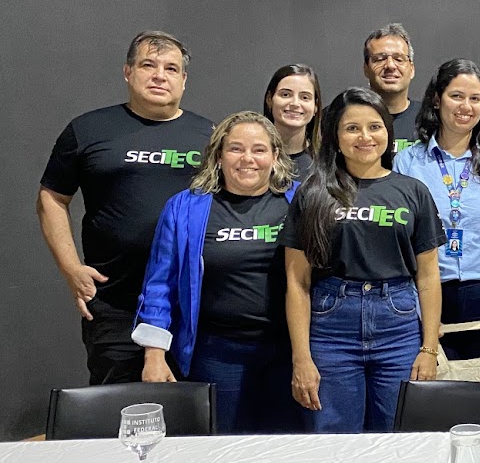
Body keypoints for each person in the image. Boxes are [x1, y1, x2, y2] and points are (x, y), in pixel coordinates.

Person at [38, 30, 214, 385]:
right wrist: (71, 268)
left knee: (192, 419)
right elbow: (52, 198)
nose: (159, 75)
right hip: (115, 302)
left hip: (191, 301)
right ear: (127, 72)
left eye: (170, 68)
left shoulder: (210, 135)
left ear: (183, 79)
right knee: (119, 411)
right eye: (148, 65)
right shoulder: (88, 130)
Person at [282, 88, 444, 433]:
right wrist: (302, 357)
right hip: (331, 327)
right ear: (335, 137)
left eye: (375, 127)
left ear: (388, 132)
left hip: (398, 324)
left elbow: (428, 276)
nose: (365, 137)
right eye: (352, 128)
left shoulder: (413, 191)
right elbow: (297, 282)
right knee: (334, 439)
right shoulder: (313, 193)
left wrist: (429, 348)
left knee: (397, 436)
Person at [132, 112, 300, 433]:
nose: (247, 158)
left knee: (285, 452)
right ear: (219, 155)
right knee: (221, 451)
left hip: (289, 355)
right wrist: (154, 354)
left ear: (275, 156)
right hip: (217, 355)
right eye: (236, 149)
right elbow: (159, 286)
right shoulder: (185, 207)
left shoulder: (300, 202)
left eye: (259, 149)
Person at [394, 60, 480, 363]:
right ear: (437, 98)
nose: (466, 106)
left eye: (475, 99)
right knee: (431, 403)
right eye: (456, 96)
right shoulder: (408, 163)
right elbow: (397, 243)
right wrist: (416, 311)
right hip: (429, 297)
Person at [362, 23, 421, 154]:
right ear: (366, 69)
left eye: (399, 59)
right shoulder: (346, 118)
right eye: (379, 59)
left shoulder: (430, 119)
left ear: (412, 69)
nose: (390, 65)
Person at [263, 64, 322, 180]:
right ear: (270, 99)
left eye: (305, 97)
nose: (295, 103)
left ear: (315, 106)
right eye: (285, 95)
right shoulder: (253, 160)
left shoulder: (327, 164)